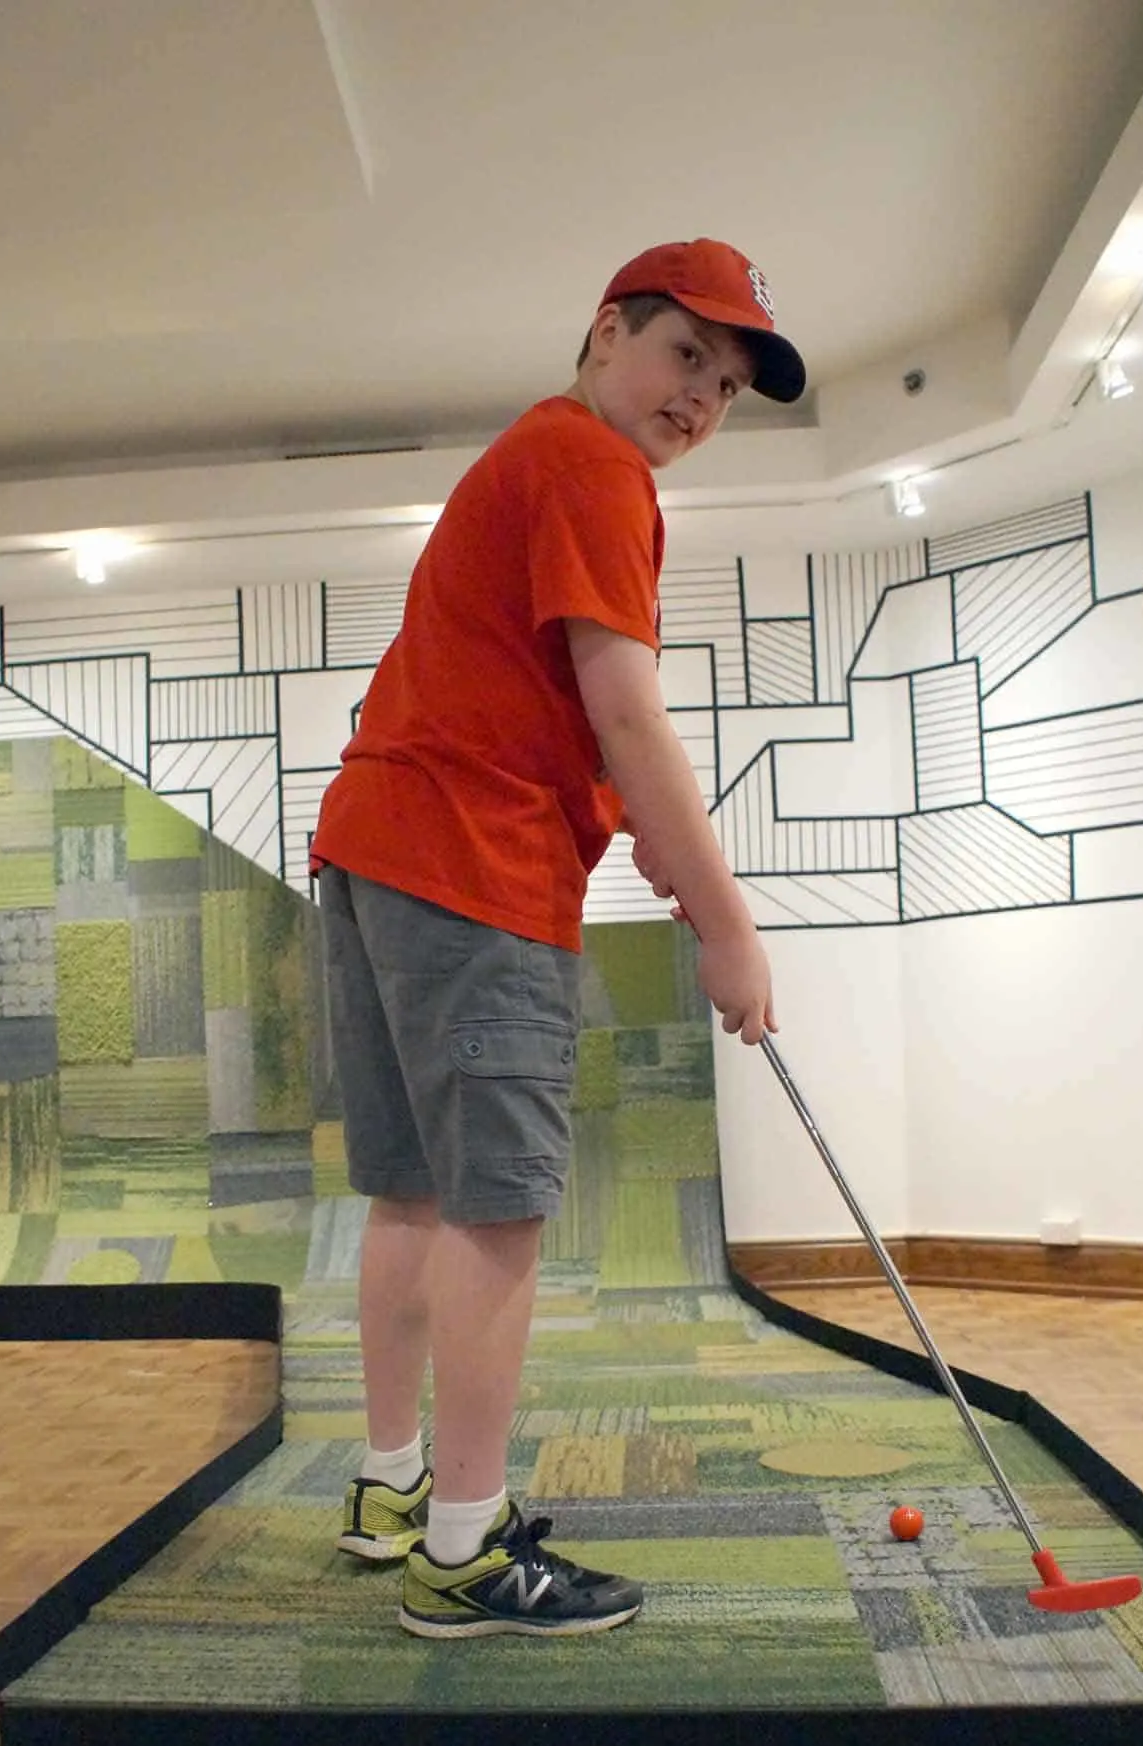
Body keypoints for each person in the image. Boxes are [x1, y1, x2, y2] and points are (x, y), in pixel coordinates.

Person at [310, 238, 806, 1639]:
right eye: (685, 356)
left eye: (727, 384)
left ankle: (394, 1488)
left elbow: (556, 709)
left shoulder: (524, 459)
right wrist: (727, 926)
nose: (702, 397)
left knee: (412, 1193)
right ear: (605, 337)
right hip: (470, 866)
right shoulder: (596, 469)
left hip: (376, 846)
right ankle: (463, 1554)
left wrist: (624, 819)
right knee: (499, 1212)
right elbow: (626, 704)